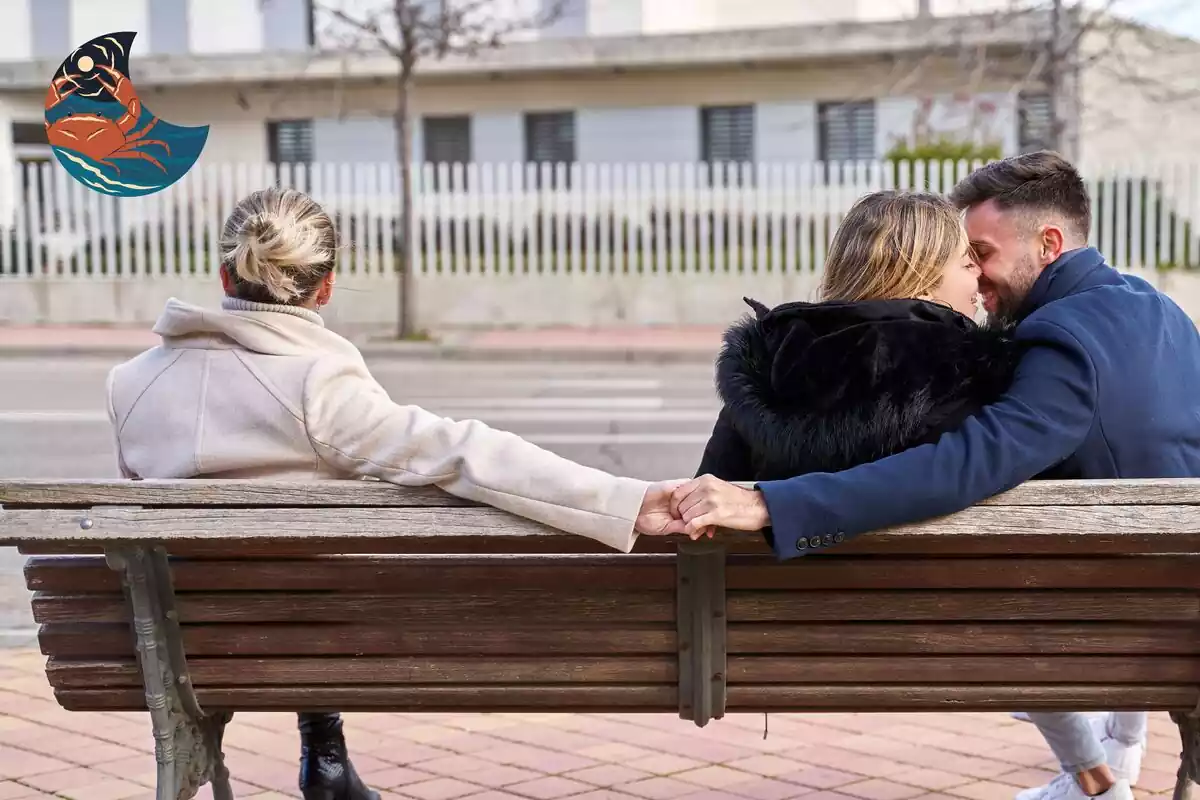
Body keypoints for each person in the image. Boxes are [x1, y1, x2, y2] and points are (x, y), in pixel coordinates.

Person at [104, 187, 687, 800]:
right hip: (315, 640)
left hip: (174, 643)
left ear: (225, 272)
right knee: (315, 570)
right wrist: (626, 500)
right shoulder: (316, 385)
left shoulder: (128, 384)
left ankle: (318, 753)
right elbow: (464, 452)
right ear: (325, 287)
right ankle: (323, 748)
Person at [671, 151, 1194, 800]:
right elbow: (975, 464)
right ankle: (1110, 761)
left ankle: (1103, 769)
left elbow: (962, 466)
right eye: (966, 257)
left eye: (983, 252)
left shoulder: (764, 357)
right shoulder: (1160, 313)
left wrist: (774, 505)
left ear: (1048, 243)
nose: (977, 276)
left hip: (777, 637)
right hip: (1135, 613)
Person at [695, 189, 1022, 483]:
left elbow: (709, 494)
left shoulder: (767, 365)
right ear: (922, 282)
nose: (980, 274)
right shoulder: (974, 378)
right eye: (967, 265)